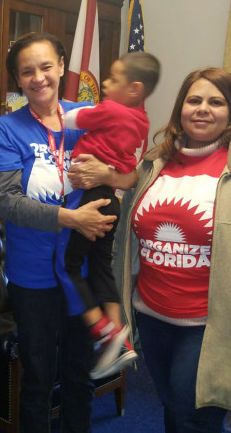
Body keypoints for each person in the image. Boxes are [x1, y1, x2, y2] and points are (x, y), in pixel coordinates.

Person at [113, 67, 231, 432]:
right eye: (194, 100)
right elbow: (128, 235)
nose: (203, 109)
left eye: (216, 102)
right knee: (172, 408)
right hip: (152, 317)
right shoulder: (154, 164)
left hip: (211, 325)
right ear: (180, 110)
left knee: (193, 418)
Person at [0, 31, 135, 432]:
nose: (38, 77)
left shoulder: (88, 115)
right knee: (37, 379)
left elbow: (129, 174)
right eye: (27, 71)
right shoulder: (7, 128)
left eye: (46, 67)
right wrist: (73, 219)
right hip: (33, 277)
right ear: (17, 80)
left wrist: (107, 174)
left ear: (61, 66)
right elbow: (7, 202)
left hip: (82, 273)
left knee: (79, 374)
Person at [62, 52, 160, 379]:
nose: (104, 83)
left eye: (113, 80)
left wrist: (59, 113)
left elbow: (71, 121)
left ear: (134, 89)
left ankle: (103, 330)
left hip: (93, 199)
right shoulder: (142, 120)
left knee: (69, 264)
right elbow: (130, 168)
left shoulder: (109, 110)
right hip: (113, 200)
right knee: (102, 267)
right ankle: (121, 339)